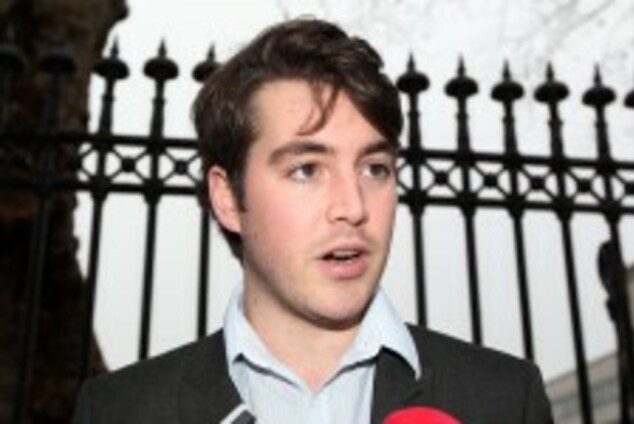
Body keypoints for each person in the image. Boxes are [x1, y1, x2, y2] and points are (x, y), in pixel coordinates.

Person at [73, 18, 553, 424]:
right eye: (306, 170)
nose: (353, 206)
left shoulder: (506, 399)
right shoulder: (119, 411)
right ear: (227, 198)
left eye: (374, 169)